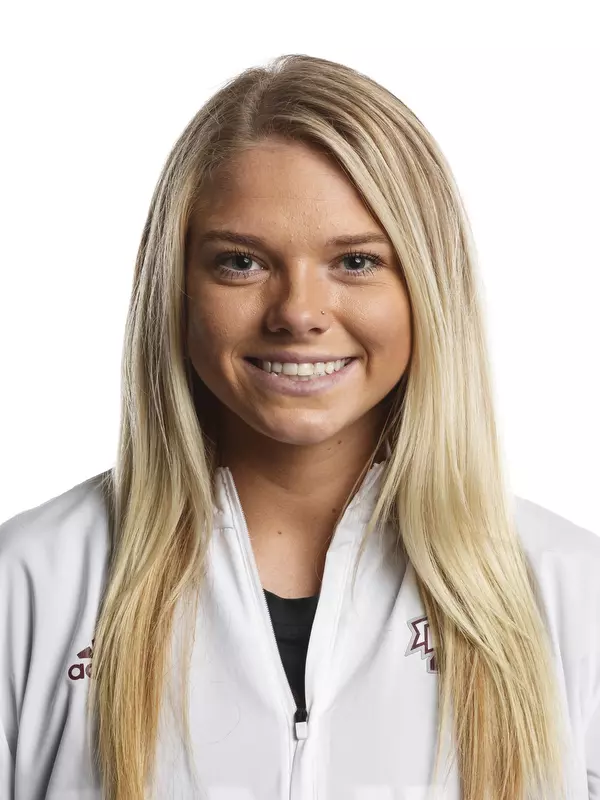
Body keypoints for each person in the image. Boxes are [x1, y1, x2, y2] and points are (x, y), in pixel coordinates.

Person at [0, 53, 598, 800]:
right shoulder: (26, 584)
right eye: (242, 262)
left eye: (354, 261)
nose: (299, 313)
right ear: (177, 290)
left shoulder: (574, 593)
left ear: (426, 288)